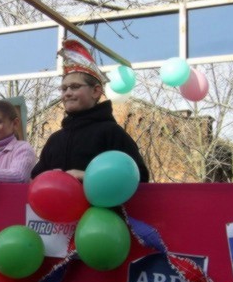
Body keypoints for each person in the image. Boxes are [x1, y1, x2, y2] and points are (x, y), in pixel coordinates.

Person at [31, 39, 149, 182]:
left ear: (95, 91)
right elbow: (34, 179)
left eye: (75, 87)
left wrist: (85, 176)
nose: (67, 93)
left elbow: (139, 176)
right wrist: (49, 176)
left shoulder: (111, 133)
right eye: (64, 88)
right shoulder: (55, 139)